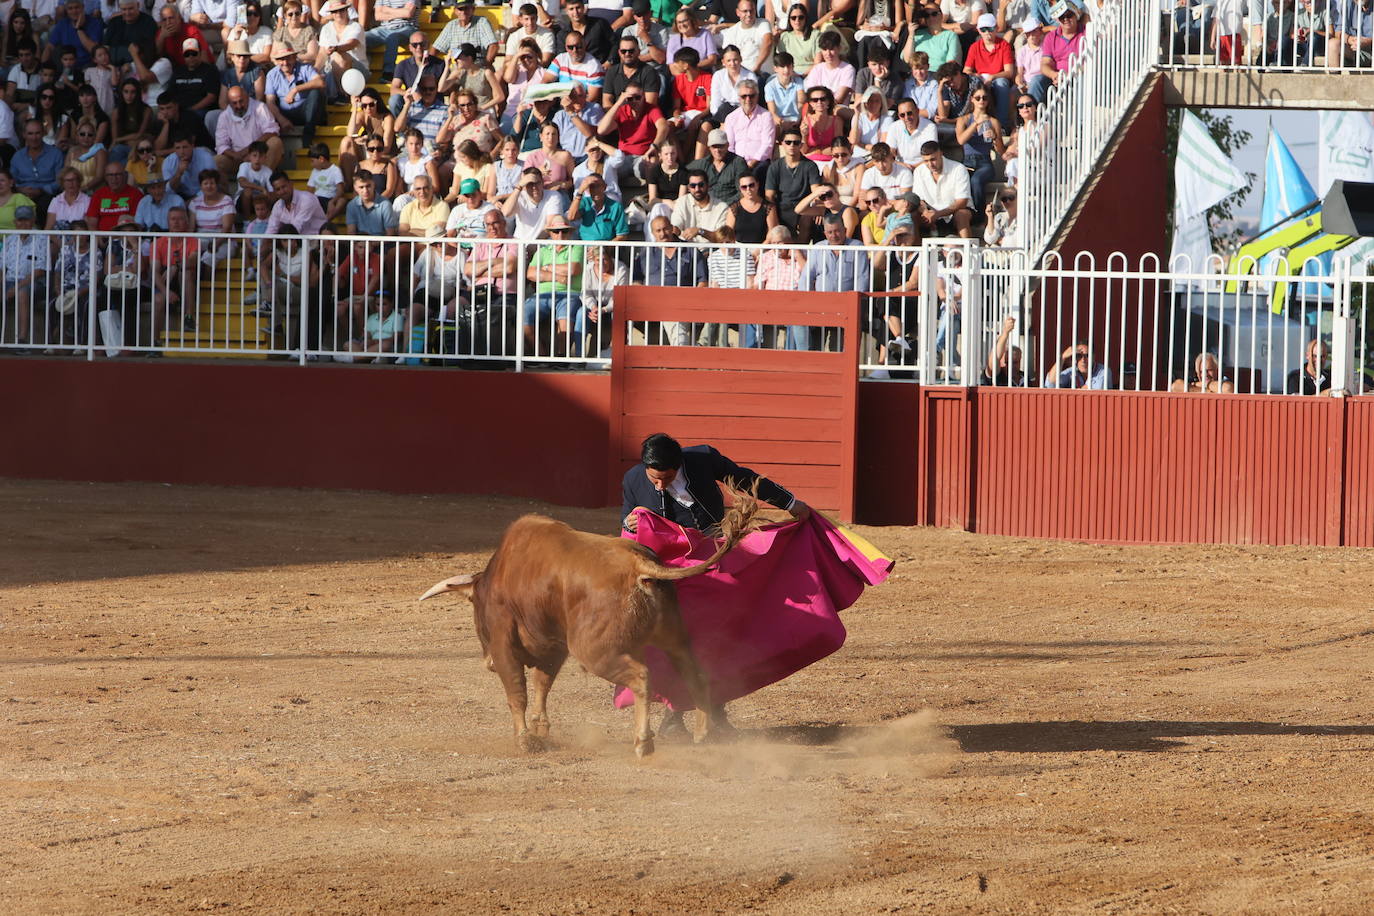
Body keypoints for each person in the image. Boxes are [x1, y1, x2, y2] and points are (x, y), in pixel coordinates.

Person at [619, 431, 810, 735]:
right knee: (675, 641)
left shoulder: (702, 459)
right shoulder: (633, 479)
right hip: (671, 572)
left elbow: (745, 479)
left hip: (715, 558)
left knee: (717, 638)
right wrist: (628, 523)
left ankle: (716, 715)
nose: (659, 485)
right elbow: (627, 523)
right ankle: (674, 718)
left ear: (678, 465)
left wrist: (789, 501)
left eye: (666, 478)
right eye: (654, 478)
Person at [521, 213, 583, 357]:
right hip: (542, 295)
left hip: (569, 293)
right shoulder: (542, 250)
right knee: (523, 314)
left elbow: (573, 269)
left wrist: (546, 268)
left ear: (570, 232)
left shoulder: (577, 247)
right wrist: (558, 277)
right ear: (550, 233)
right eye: (556, 231)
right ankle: (541, 355)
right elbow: (530, 274)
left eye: (564, 231)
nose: (560, 234)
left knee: (565, 320)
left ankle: (562, 357)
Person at [2, 204, 50, 351]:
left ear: (33, 221)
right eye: (20, 220)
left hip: (34, 282)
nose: (23, 224)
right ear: (14, 222)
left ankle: (22, 341)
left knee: (22, 293)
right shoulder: (10, 239)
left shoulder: (41, 239)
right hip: (10, 280)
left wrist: (16, 287)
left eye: (27, 220)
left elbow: (40, 271)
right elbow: (2, 267)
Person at [264, 43, 324, 143]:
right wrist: (281, 119)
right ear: (277, 61)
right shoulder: (272, 75)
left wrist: (295, 89)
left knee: (315, 93)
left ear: (294, 57)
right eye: (281, 59)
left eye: (288, 58)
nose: (285, 62)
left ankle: (308, 135)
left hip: (305, 112)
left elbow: (320, 82)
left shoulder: (305, 68)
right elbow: (270, 102)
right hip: (284, 112)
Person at [911, 139, 972, 238]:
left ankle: (967, 247)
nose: (930, 164)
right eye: (926, 161)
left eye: (933, 159)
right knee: (911, 216)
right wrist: (926, 212)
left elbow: (962, 202)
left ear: (941, 154)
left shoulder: (958, 168)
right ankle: (914, 248)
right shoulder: (919, 171)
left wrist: (937, 214)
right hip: (930, 211)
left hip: (955, 211)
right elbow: (918, 199)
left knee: (961, 215)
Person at [765, 125, 821, 232]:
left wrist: (818, 209)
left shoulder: (810, 166)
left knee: (807, 219)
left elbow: (816, 192)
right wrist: (773, 217)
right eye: (788, 142)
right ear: (782, 144)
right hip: (781, 208)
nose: (792, 145)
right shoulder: (775, 167)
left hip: (803, 207)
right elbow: (769, 196)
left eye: (796, 142)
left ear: (801, 145)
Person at [365, 0, 418, 82]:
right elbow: (378, 16)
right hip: (384, 29)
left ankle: (388, 73)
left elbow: (408, 13)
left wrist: (386, 10)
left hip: (407, 28)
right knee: (362, 37)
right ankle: (360, 70)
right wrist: (401, 12)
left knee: (393, 37)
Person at [86, 161, 143, 230]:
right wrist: (97, 235)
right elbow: (92, 223)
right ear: (105, 177)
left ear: (124, 175)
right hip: (103, 235)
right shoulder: (98, 194)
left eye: (118, 174)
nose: (114, 178)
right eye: (110, 175)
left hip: (125, 235)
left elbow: (136, 223)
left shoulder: (136, 194)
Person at [1044, 341, 1113, 389]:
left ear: (1094, 357)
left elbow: (1092, 390)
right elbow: (1050, 384)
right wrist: (1063, 357)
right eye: (1079, 356)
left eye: (1087, 355)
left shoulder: (1104, 371)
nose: (1083, 360)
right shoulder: (1073, 371)